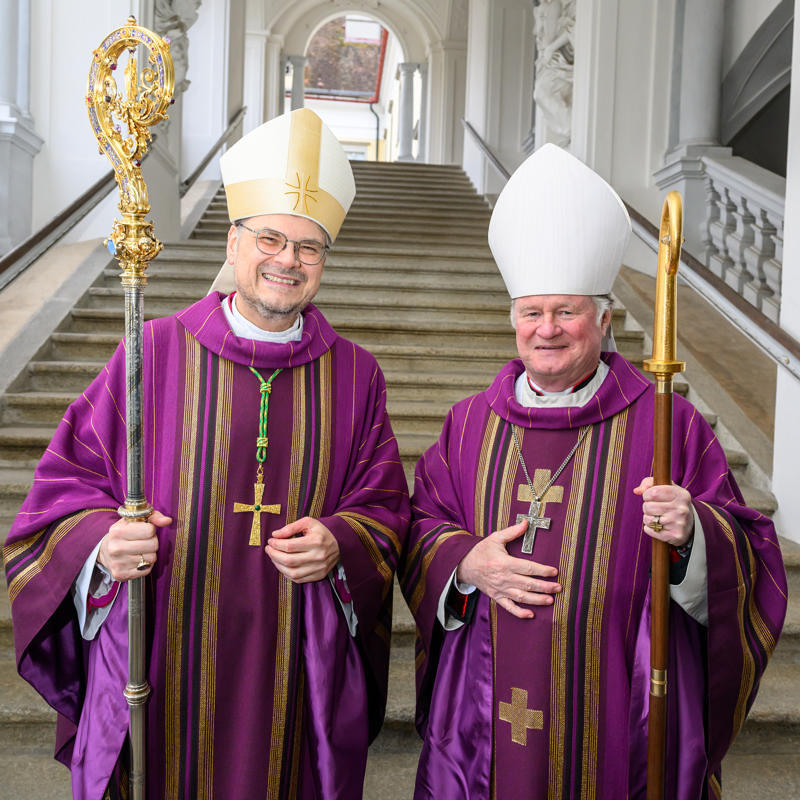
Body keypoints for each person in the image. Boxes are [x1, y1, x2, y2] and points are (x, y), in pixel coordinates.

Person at [3, 108, 409, 799]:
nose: (288, 260)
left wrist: (341, 541)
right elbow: (64, 487)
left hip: (295, 668)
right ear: (233, 242)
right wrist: (103, 544)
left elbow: (385, 505)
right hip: (163, 649)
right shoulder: (153, 351)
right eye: (272, 238)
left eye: (309, 248)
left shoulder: (355, 374)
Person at [399, 143, 786, 798]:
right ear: (513, 320)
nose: (547, 329)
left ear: (604, 320)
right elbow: (418, 526)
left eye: (567, 311)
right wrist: (464, 565)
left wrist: (692, 534)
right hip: (481, 711)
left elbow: (751, 556)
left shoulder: (670, 426)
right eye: (532, 312)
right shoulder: (468, 424)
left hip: (622, 713)